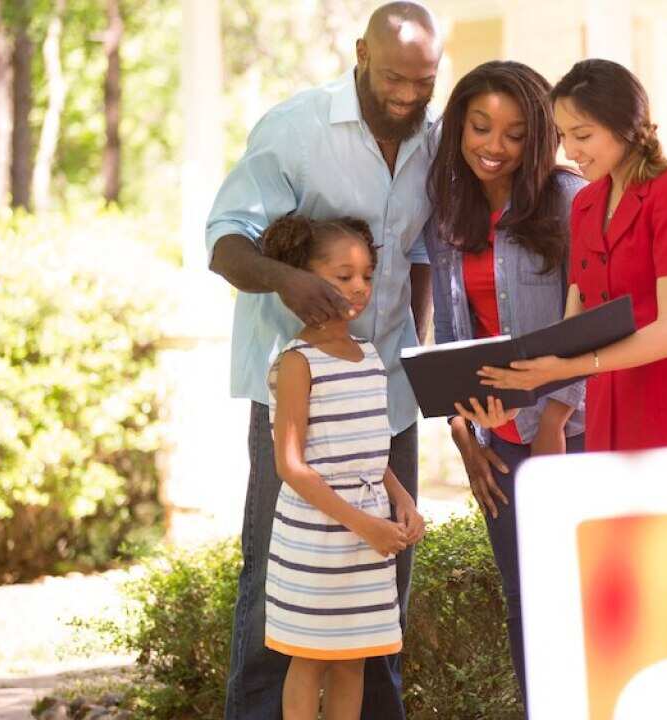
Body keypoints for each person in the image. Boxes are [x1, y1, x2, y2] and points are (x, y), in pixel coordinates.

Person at [203, 3, 442, 716]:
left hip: (387, 392)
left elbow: (419, 250)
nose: (406, 95)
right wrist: (288, 281)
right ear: (360, 52)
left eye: (423, 83)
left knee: (381, 575)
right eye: (395, 77)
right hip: (301, 394)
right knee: (279, 584)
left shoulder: (431, 141)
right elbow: (226, 242)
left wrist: (418, 341)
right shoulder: (296, 128)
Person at [420, 60, 587, 704]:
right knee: (526, 602)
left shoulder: (570, 200)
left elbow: (591, 320)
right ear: (460, 125)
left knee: (579, 596)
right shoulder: (447, 214)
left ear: (538, 136)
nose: (495, 146)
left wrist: (554, 420)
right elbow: (455, 332)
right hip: (499, 440)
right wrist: (465, 436)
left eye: (514, 134)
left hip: (572, 433)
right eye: (481, 127)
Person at [478, 58, 667, 451]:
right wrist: (520, 391)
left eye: (582, 135)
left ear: (625, 125)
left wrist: (569, 369)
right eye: (563, 135)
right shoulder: (584, 204)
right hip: (608, 413)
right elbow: (573, 326)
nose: (570, 150)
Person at [260, 215, 425, 720]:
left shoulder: (371, 356)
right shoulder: (297, 361)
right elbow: (290, 464)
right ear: (306, 280)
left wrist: (401, 500)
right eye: (342, 275)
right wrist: (365, 525)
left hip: (367, 537)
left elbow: (372, 452)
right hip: (318, 540)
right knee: (309, 662)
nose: (359, 287)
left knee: (353, 662)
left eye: (367, 276)